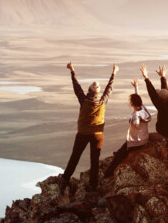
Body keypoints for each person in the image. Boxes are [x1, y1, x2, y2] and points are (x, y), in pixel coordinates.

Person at [61, 61, 118, 191]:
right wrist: (114, 73)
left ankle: (65, 179)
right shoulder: (102, 101)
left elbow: (76, 86)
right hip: (98, 135)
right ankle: (93, 185)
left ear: (89, 91)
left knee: (75, 156)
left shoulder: (84, 100)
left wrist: (72, 70)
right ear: (98, 92)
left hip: (83, 133)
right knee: (95, 160)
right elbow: (109, 89)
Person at [104, 78, 152, 177]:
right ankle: (119, 152)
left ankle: (107, 174)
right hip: (144, 138)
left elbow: (136, 120)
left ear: (132, 103)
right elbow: (138, 98)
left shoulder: (136, 114)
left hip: (136, 142)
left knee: (118, 156)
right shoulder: (143, 108)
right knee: (121, 150)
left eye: (130, 100)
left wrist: (136, 125)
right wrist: (136, 87)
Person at [139, 64, 168, 140]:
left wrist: (146, 77)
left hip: (166, 135)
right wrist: (162, 77)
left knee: (143, 138)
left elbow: (153, 95)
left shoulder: (163, 108)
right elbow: (165, 92)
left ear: (161, 99)